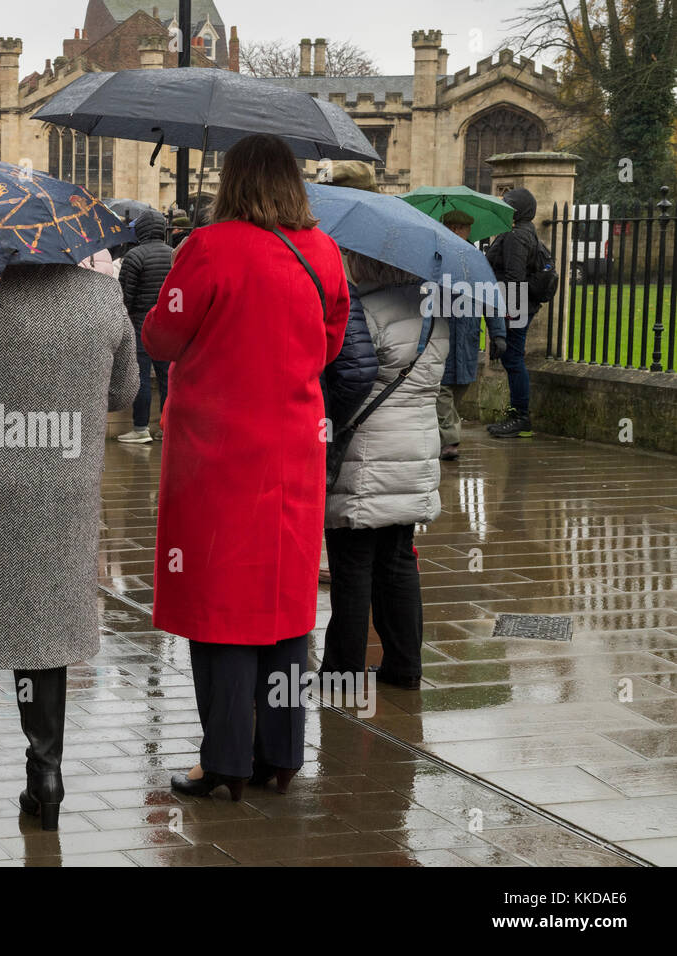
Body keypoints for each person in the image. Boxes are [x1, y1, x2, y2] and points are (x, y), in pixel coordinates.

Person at [142, 134, 350, 800]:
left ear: (232, 181)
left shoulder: (209, 247)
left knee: (220, 607)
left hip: (218, 454)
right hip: (294, 449)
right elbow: (332, 338)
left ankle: (225, 760)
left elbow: (161, 336)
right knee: (285, 606)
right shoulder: (323, 251)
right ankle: (281, 755)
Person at [0, 262, 139, 831]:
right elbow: (124, 390)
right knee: (46, 628)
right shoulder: (104, 296)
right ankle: (46, 780)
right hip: (63, 489)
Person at [320, 251, 450, 692]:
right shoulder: (431, 311)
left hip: (367, 449)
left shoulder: (363, 307)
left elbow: (351, 378)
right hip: (416, 446)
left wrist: (330, 421)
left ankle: (342, 672)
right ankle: (404, 666)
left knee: (353, 563)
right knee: (397, 559)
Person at [437, 209, 506, 460]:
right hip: (439, 332)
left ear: (467, 231)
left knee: (458, 387)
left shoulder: (477, 260)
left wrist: (498, 332)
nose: (457, 232)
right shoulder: (434, 256)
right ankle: (450, 440)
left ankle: (442, 434)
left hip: (466, 334)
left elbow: (491, 297)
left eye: (461, 228)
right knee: (441, 388)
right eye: (452, 227)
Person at [486, 187, 539, 439]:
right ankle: (517, 414)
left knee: (513, 359)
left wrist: (505, 318)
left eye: (508, 205)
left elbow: (514, 278)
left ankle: (521, 417)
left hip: (515, 307)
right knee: (512, 359)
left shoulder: (517, 236)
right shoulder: (522, 232)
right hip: (517, 306)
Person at [116, 211, 173, 443]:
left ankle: (140, 428)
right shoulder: (173, 254)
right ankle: (167, 427)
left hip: (141, 322)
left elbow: (123, 296)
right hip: (168, 323)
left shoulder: (134, 256)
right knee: (167, 376)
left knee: (141, 377)